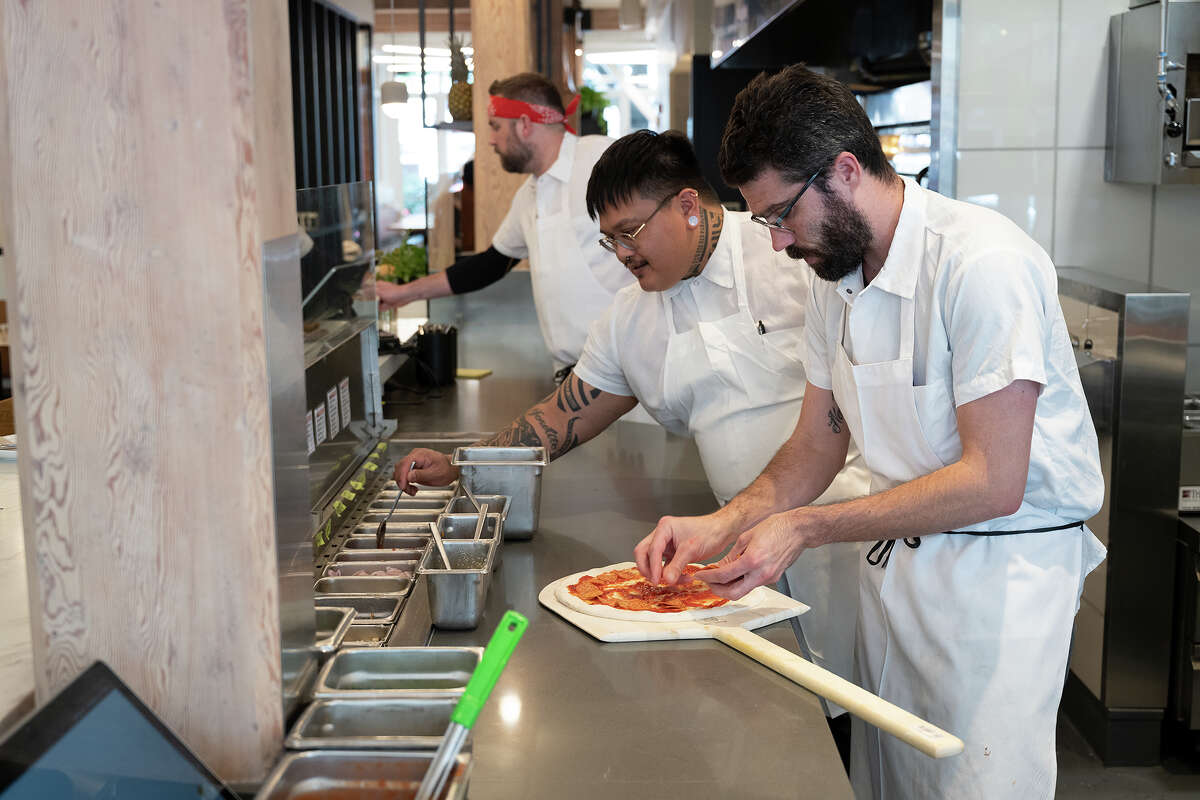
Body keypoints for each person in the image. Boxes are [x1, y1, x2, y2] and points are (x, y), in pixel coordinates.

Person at [634, 65, 1106, 799]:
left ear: (845, 171)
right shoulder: (837, 280)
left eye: (782, 215)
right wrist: (718, 525)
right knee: (887, 782)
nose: (779, 243)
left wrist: (807, 528)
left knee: (974, 784)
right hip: (896, 582)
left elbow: (993, 480)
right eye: (764, 222)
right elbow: (814, 448)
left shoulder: (982, 264)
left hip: (995, 595)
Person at [395, 129, 869, 699]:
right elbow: (561, 417)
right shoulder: (629, 319)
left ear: (689, 206)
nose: (622, 254)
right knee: (785, 707)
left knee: (856, 707)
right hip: (729, 543)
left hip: (845, 539)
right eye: (609, 240)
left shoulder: (788, 256)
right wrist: (459, 464)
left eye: (630, 232)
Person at [376, 72, 634, 382]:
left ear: (525, 124)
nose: (491, 140)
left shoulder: (602, 159)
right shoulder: (528, 196)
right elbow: (490, 265)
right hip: (574, 376)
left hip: (630, 369)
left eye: (495, 126)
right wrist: (403, 293)